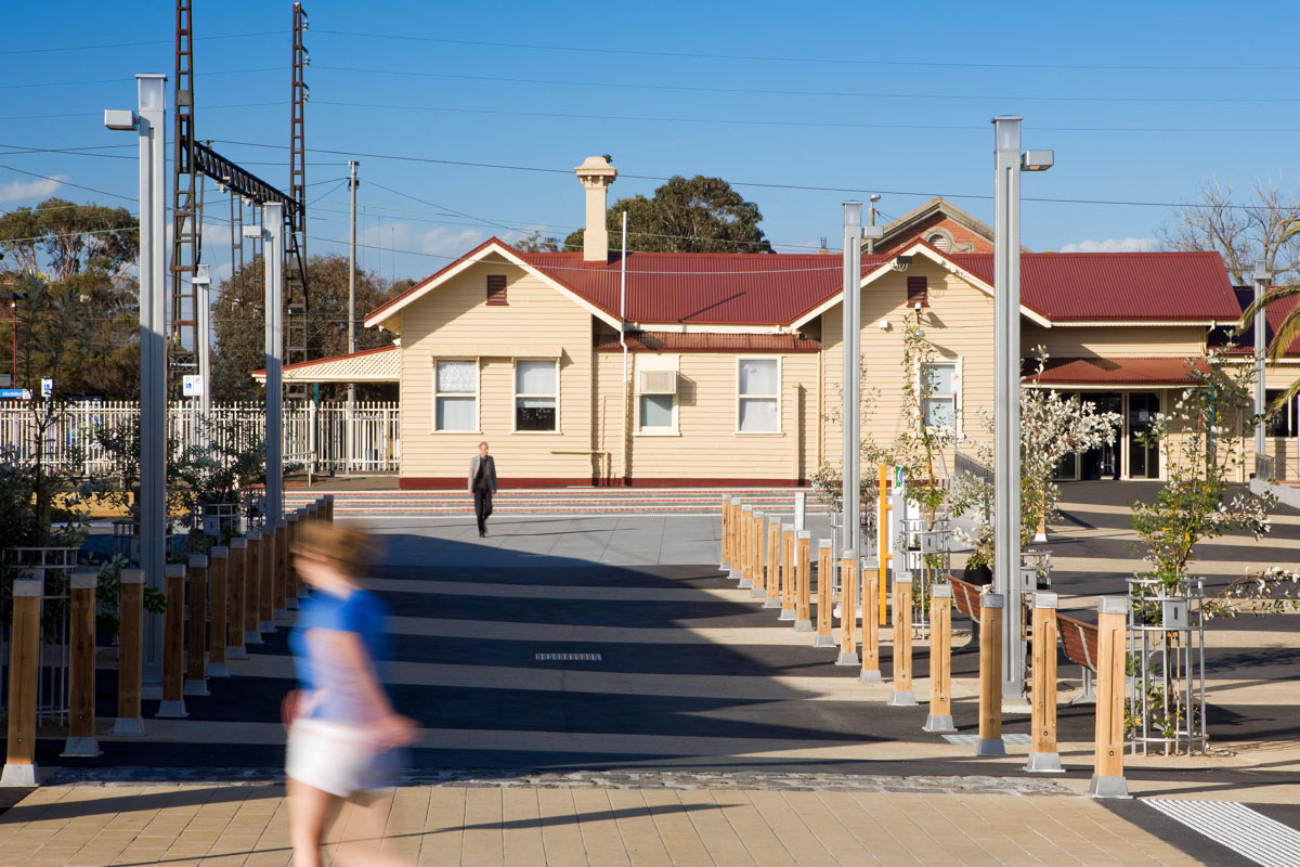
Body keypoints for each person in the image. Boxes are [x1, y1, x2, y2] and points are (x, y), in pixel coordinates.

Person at [285, 521, 417, 867]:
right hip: (370, 742)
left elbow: (346, 658)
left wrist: (380, 714)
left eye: (300, 557)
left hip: (328, 735)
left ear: (319, 557)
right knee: (361, 850)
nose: (298, 565)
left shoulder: (325, 607)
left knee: (307, 840)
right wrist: (382, 718)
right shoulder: (369, 605)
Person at [468, 441, 497, 537]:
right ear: (480, 449)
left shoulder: (490, 459)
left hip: (488, 487)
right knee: (479, 511)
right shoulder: (474, 460)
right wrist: (470, 488)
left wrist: (494, 487)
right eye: (484, 448)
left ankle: (482, 521)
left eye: (487, 448)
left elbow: (493, 473)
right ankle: (481, 531)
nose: (486, 450)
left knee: (489, 509)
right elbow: (471, 474)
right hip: (478, 488)